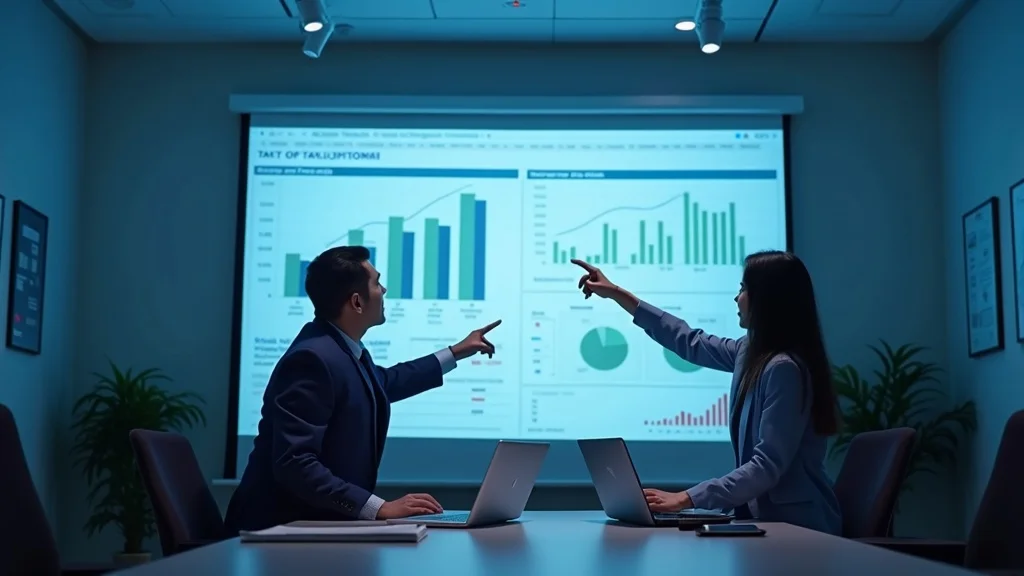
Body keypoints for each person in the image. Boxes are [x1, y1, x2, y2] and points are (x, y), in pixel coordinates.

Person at [224, 246, 502, 533]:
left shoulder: (339, 348)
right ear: (357, 302)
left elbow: (384, 383)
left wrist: (456, 352)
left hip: (310, 528)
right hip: (274, 533)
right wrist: (377, 508)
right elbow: (295, 463)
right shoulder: (312, 359)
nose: (384, 290)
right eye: (377, 283)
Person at [571, 251, 843, 535]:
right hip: (765, 523)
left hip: (799, 528)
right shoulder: (749, 352)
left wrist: (686, 498)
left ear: (767, 299)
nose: (737, 298)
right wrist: (616, 294)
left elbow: (767, 465)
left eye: (743, 289)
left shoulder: (784, 369)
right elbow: (689, 341)